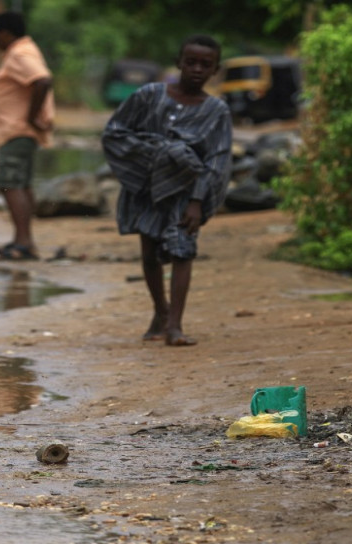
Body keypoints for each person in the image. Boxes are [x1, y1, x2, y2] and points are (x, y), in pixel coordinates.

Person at [101, 35, 232, 346]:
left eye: (205, 64)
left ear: (215, 69)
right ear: (178, 62)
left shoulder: (217, 112)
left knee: (182, 251)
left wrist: (198, 201)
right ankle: (160, 310)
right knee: (149, 255)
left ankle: (175, 325)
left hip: (188, 193)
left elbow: (217, 159)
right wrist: (160, 153)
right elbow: (115, 132)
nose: (197, 69)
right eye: (191, 62)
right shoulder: (148, 96)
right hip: (145, 187)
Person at [0, 12, 54, 261]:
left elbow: (42, 81)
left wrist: (32, 117)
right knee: (20, 184)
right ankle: (22, 239)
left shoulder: (19, 53)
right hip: (18, 131)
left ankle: (24, 241)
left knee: (10, 184)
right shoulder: (25, 50)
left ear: (5, 33)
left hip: (17, 131)